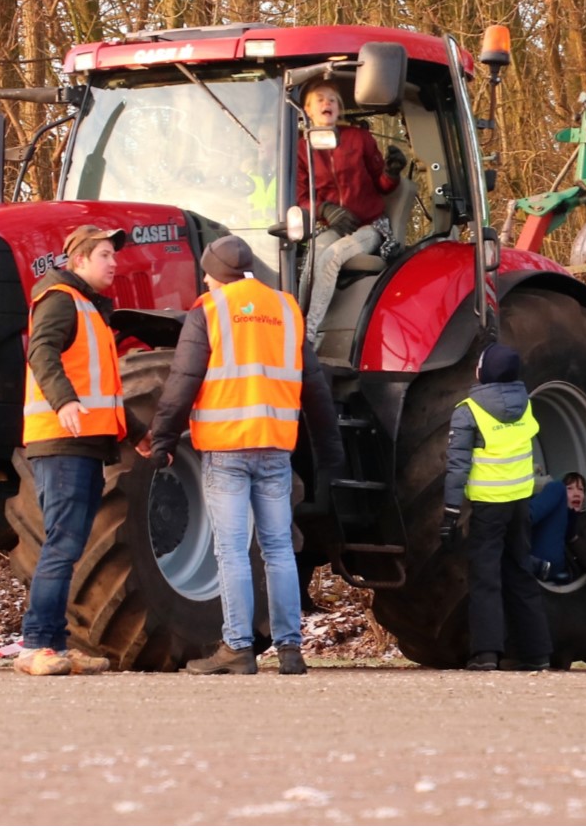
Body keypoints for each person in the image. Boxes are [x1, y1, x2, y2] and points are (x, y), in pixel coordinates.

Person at [145, 235, 344, 675]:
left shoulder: (209, 310)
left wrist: (163, 440)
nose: (204, 280)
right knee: (278, 549)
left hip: (226, 448)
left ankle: (237, 646)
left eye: (206, 273)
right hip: (275, 447)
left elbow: (183, 381)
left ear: (217, 274)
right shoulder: (286, 309)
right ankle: (290, 649)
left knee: (232, 550)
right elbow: (314, 388)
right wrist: (330, 450)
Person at [16, 224, 128, 677]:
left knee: (68, 546)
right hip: (62, 441)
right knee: (61, 545)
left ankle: (55, 644)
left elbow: (102, 387)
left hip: (84, 443)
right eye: (105, 255)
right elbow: (41, 352)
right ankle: (36, 646)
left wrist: (137, 432)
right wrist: (63, 401)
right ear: (79, 259)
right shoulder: (61, 300)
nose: (114, 263)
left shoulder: (89, 308)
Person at [440, 343, 554, 671]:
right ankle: (537, 653)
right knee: (520, 572)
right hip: (519, 502)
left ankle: (486, 653)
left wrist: (450, 512)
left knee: (485, 577)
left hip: (489, 505)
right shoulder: (525, 405)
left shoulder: (469, 410)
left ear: (484, 372)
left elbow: (458, 466)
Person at [296, 81, 408, 341]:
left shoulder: (359, 139)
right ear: (308, 110)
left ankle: (307, 336)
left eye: (332, 99)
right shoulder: (302, 149)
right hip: (336, 225)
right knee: (312, 258)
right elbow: (301, 198)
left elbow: (382, 185)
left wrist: (391, 173)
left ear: (339, 108)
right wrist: (324, 209)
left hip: (370, 225)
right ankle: (297, 320)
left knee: (331, 257)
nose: (327, 103)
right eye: (320, 99)